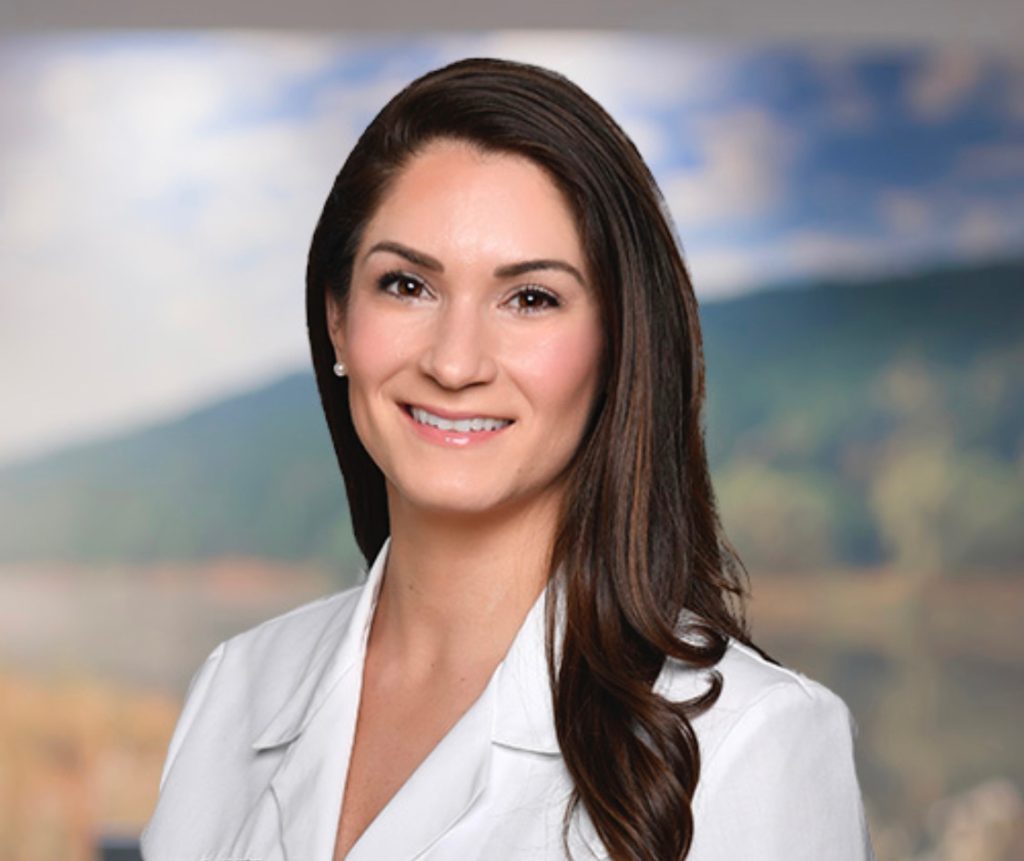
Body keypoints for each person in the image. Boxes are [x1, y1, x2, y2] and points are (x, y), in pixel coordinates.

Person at [140, 57, 876, 861]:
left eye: (531, 298)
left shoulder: (751, 743)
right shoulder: (236, 686)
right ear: (338, 322)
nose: (456, 364)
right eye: (406, 285)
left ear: (618, 345)